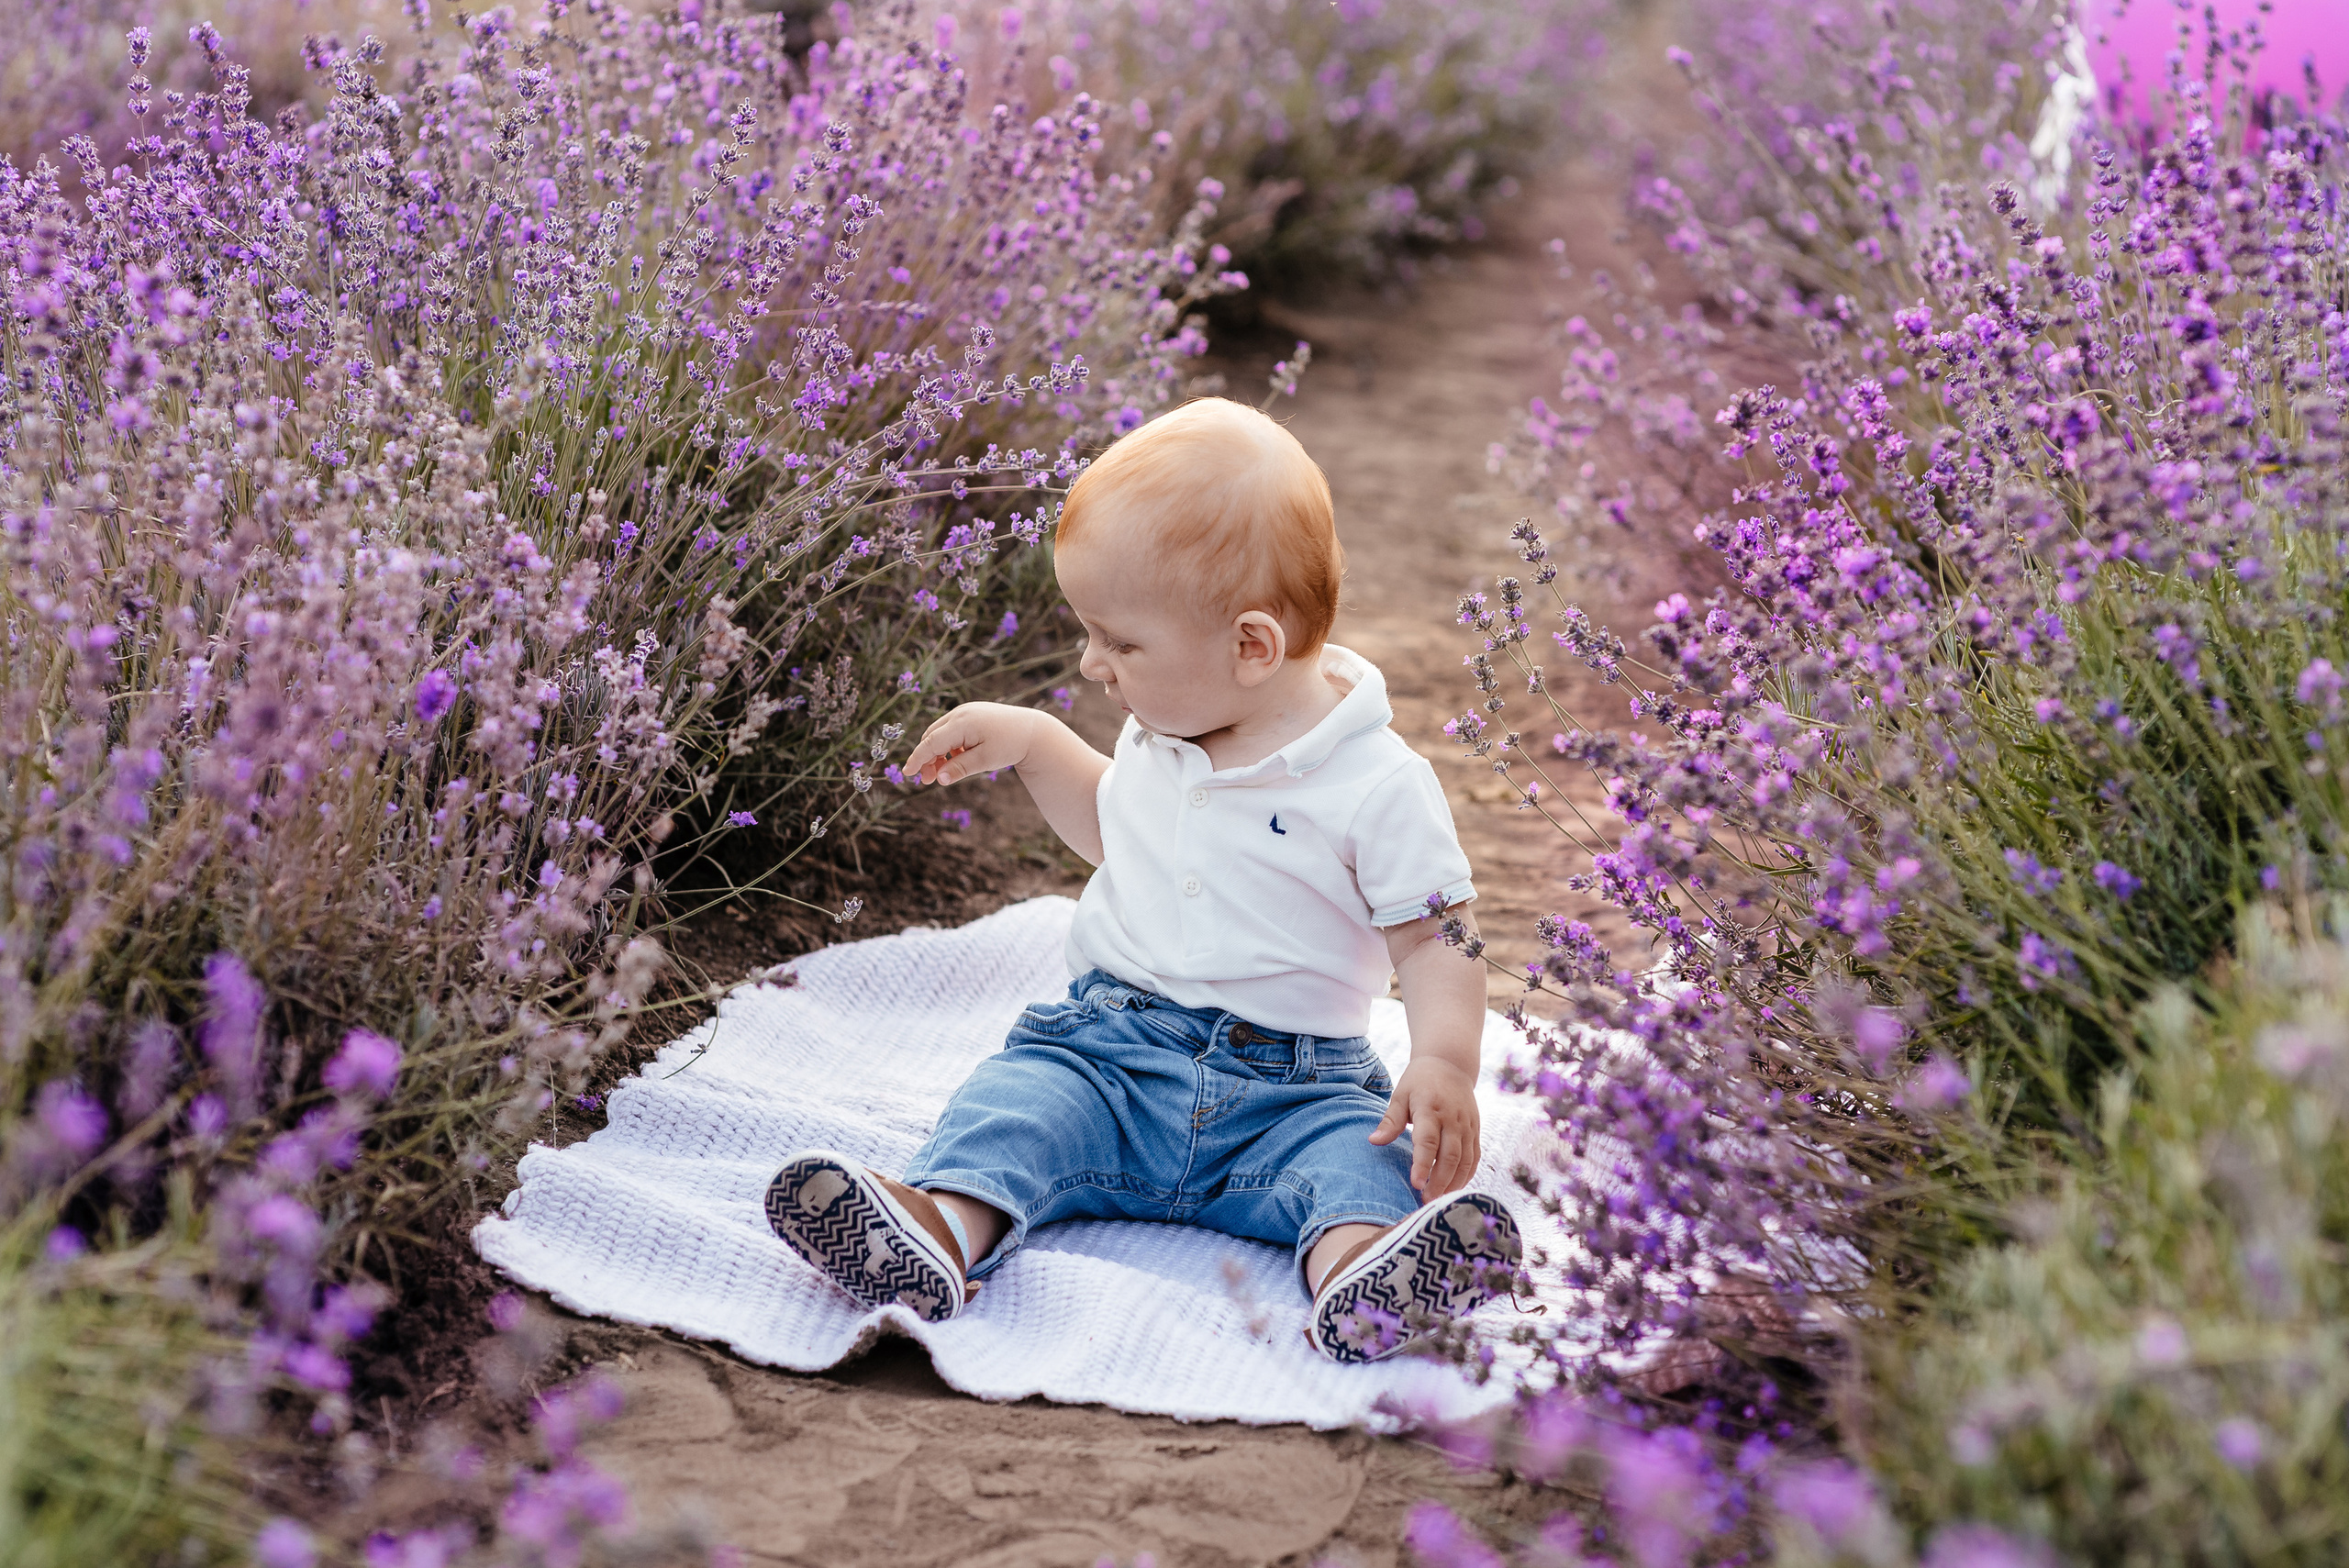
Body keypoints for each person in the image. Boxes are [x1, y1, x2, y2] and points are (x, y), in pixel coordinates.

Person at [763, 396, 1520, 1362]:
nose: (1093, 664)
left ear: (1251, 646)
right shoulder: (1166, 730)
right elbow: (1121, 833)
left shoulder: (1376, 784)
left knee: (1357, 1162)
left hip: (1295, 1092)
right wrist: (1036, 744)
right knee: (1018, 1109)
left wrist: (1444, 1059)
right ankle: (938, 1228)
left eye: (1120, 642)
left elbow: (1435, 934)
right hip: (1111, 1057)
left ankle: (1367, 1272)